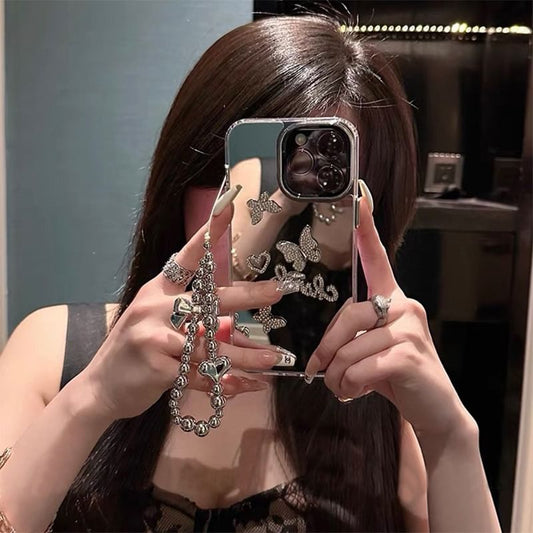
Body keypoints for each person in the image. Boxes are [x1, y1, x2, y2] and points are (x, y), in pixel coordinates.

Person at [0, 13, 501, 533]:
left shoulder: (379, 400)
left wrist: (452, 438)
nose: (269, 221)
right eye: (248, 180)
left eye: (320, 192)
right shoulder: (54, 352)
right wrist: (92, 398)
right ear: (183, 175)